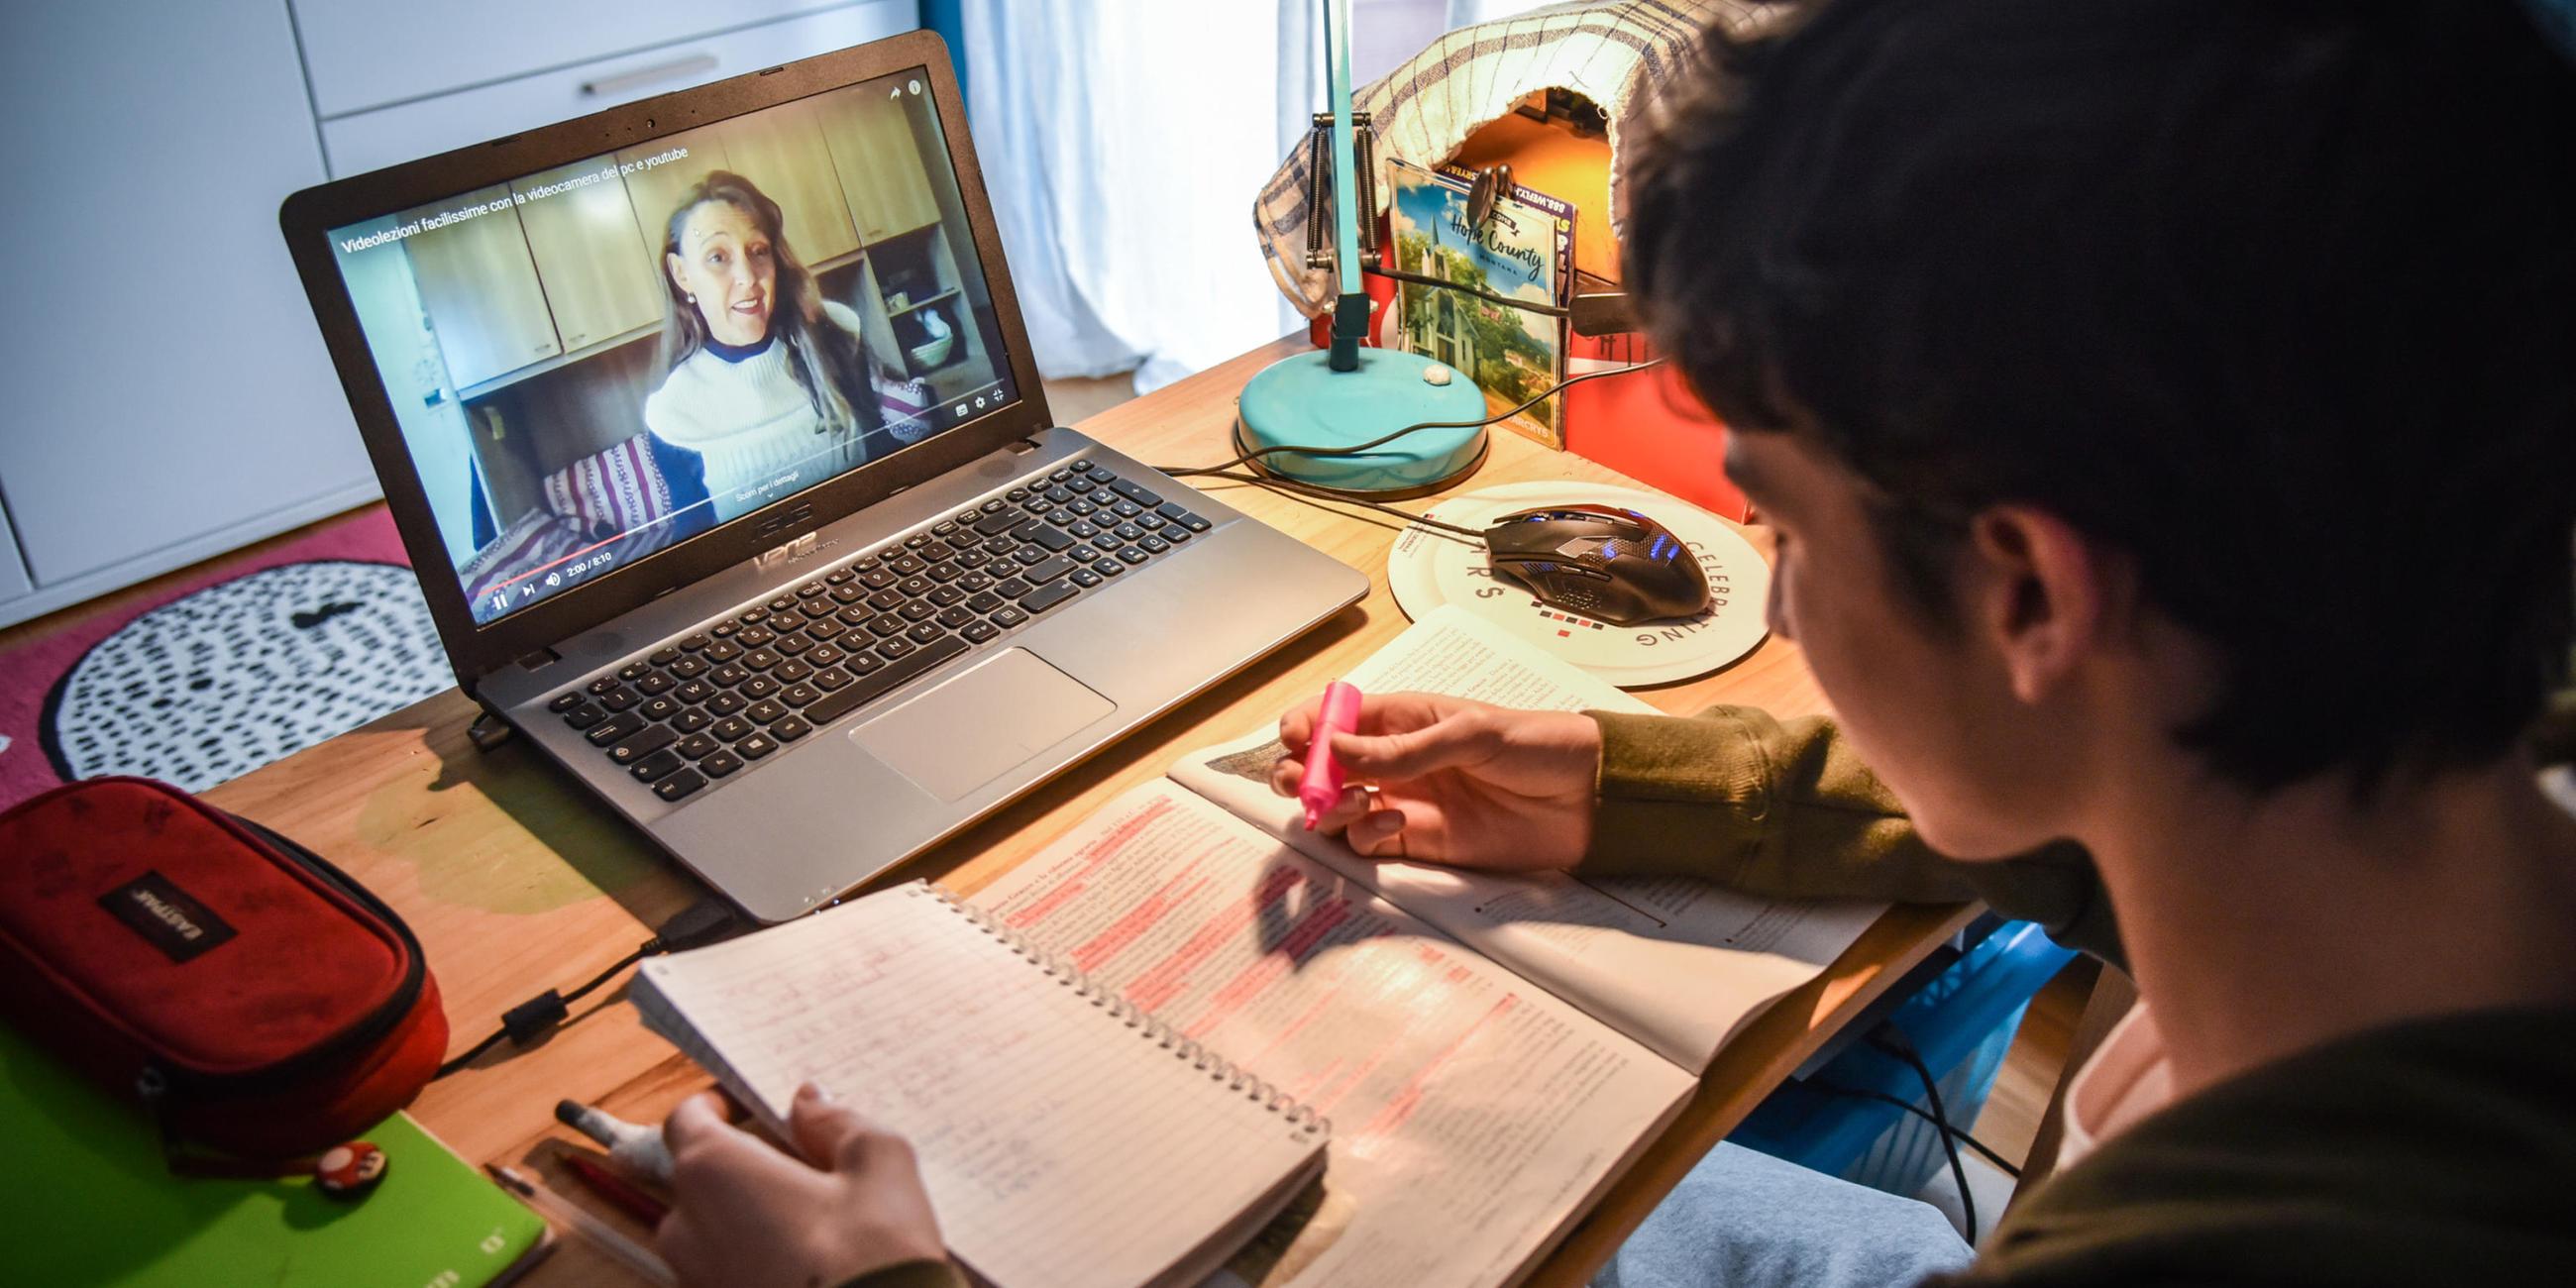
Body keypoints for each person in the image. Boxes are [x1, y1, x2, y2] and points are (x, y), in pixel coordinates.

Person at [645, 2, 2576, 1285]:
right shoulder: (2460, 750)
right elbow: (2128, 796)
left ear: (2027, 598)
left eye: (1777, 514)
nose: (1764, 568)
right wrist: (1622, 775)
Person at [643, 170, 922, 524]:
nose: (748, 278)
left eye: (758, 251)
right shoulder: (674, 413)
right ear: (682, 274)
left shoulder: (835, 337)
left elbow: (882, 462)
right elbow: (698, 548)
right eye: (717, 257)